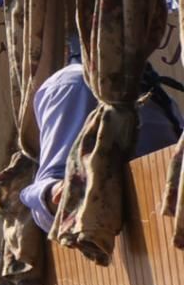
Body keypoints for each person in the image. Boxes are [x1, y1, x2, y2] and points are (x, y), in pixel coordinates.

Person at [20, 55, 181, 232]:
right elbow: (51, 195)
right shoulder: (76, 84)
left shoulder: (150, 87)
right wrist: (61, 193)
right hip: (143, 249)